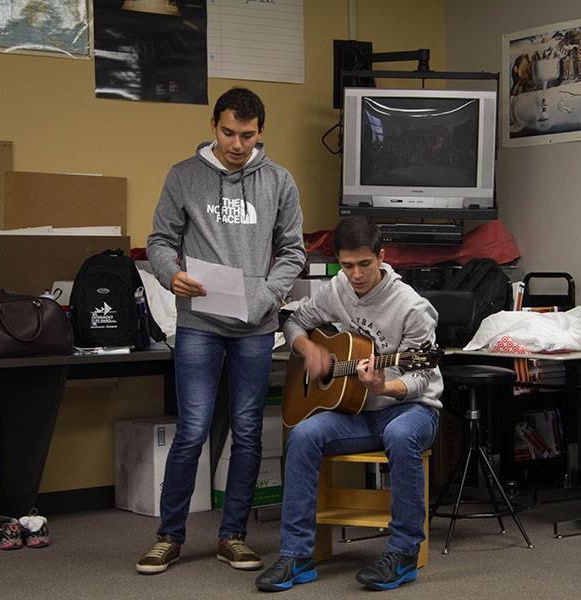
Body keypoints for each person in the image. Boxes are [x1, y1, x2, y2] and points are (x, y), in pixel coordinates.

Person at [137, 87, 305, 574]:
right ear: (214, 126)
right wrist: (171, 274)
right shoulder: (183, 176)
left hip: (255, 326)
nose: (237, 144)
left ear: (260, 132)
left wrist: (268, 295)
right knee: (192, 430)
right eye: (229, 133)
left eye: (247, 136)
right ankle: (169, 536)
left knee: (248, 431)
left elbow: (293, 251)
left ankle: (233, 535)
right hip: (199, 324)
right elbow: (159, 241)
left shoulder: (278, 180)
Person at [254, 217, 442, 592]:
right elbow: (294, 322)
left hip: (412, 409)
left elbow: (422, 376)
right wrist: (308, 350)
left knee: (401, 433)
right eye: (348, 265)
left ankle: (403, 553)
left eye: (365, 265)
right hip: (355, 412)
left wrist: (385, 387)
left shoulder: (412, 308)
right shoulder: (335, 288)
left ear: (382, 257)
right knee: (304, 435)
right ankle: (296, 555)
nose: (355, 275)